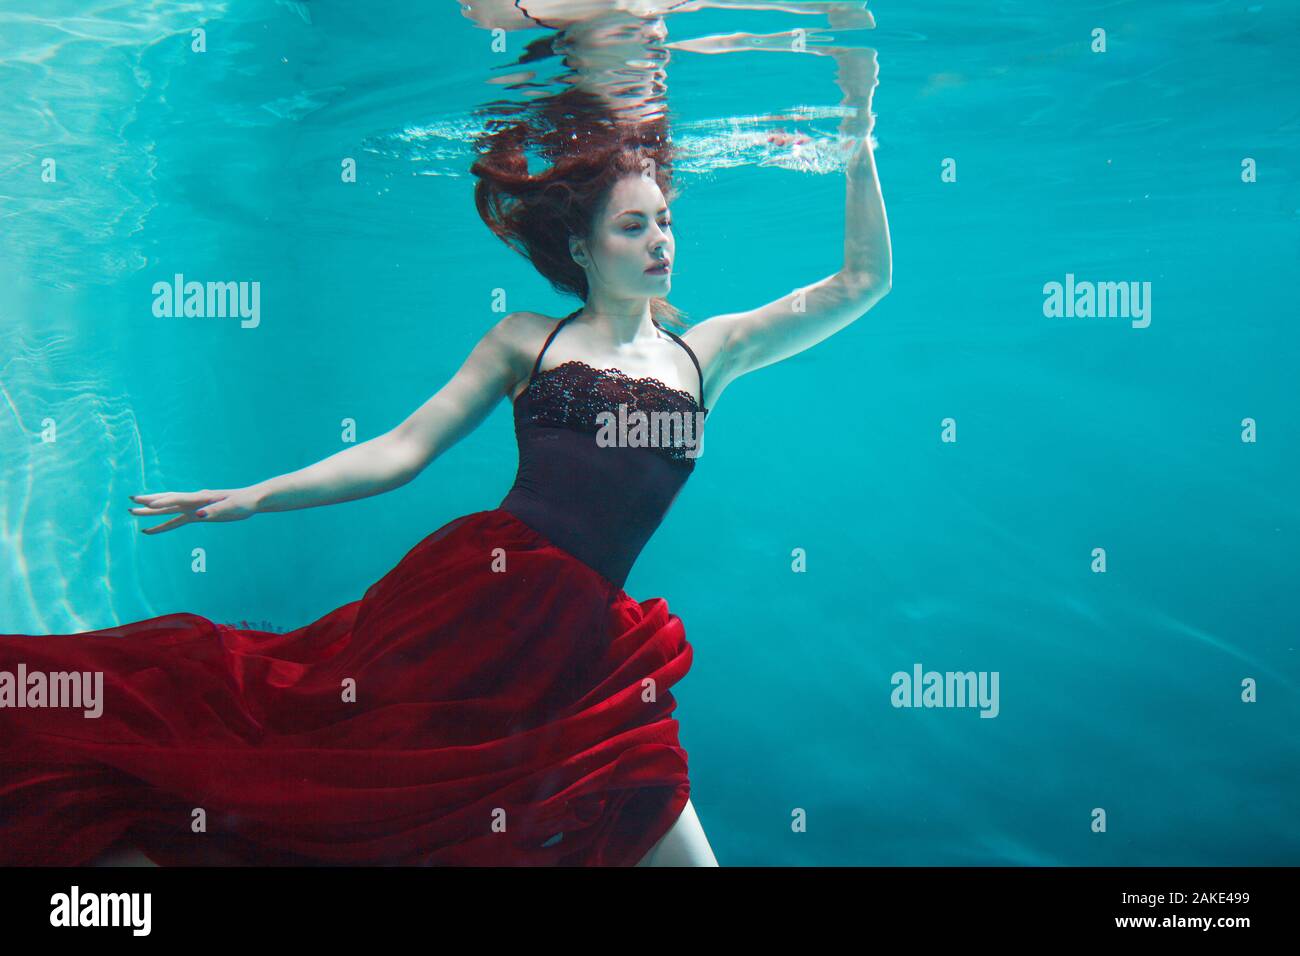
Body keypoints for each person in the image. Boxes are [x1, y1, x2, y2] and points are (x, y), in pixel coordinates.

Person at [0, 55, 889, 867]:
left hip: (591, 646)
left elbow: (861, 283)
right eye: (632, 226)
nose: (660, 241)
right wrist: (252, 497)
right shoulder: (527, 342)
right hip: (477, 610)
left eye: (664, 221)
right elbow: (402, 450)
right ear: (580, 246)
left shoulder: (710, 353)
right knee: (324, 778)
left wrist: (860, 134)